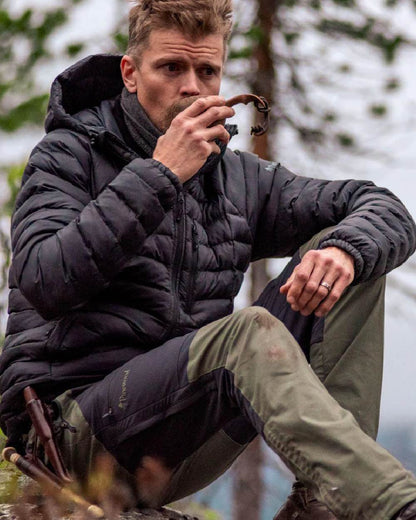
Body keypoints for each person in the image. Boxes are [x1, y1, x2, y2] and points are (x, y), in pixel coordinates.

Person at [1, 0, 416, 518]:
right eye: (171, 68)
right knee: (245, 334)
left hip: (183, 436)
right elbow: (42, 279)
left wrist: (344, 252)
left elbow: (384, 207)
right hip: (78, 438)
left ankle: (325, 507)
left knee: (351, 256)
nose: (192, 88)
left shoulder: (238, 178)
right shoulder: (67, 155)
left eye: (207, 71)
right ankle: (395, 507)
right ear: (130, 73)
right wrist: (159, 175)